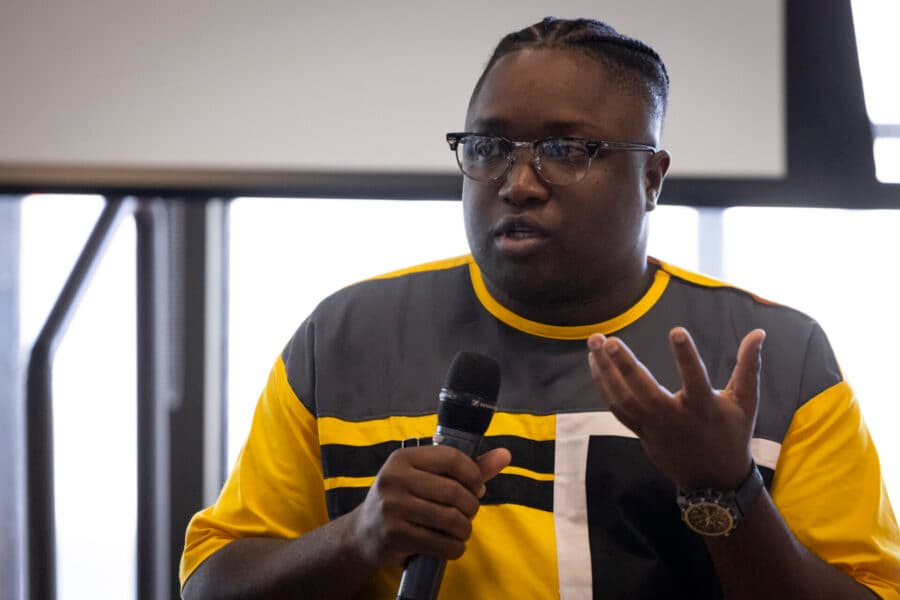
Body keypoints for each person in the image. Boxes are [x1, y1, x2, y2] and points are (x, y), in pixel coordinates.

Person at [180, 17, 900, 599]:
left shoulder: (773, 355)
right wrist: (360, 536)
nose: (518, 182)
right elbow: (212, 583)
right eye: (490, 146)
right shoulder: (344, 339)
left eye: (565, 148)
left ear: (651, 178)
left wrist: (727, 491)